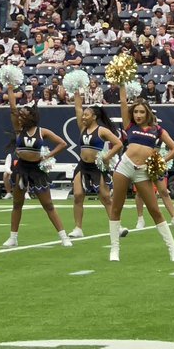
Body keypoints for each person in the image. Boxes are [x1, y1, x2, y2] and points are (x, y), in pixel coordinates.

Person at [107, 85, 174, 262]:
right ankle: (114, 250)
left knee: (155, 210)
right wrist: (122, 82)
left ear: (148, 113)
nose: (138, 115)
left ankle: (173, 250)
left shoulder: (157, 130)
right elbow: (124, 102)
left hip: (143, 172)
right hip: (124, 167)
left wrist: (159, 162)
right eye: (136, 112)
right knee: (116, 207)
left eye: (142, 112)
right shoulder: (129, 125)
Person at [1, 91, 72, 248]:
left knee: (48, 204)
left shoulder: (42, 131)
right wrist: (11, 87)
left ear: (31, 116)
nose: (20, 117)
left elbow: (62, 144)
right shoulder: (19, 130)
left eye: (23, 115)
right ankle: (13, 237)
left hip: (37, 170)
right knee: (17, 203)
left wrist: (47, 156)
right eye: (20, 115)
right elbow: (12, 108)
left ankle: (63, 236)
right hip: (22, 169)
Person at [69, 91, 124, 238]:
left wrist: (107, 157)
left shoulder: (102, 130)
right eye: (84, 115)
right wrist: (76, 92)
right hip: (82, 165)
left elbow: (118, 144)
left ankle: (116, 227)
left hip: (96, 167)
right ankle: (78, 228)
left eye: (87, 115)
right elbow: (77, 109)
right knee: (78, 195)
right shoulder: (82, 128)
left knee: (105, 197)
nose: (83, 117)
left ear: (94, 117)